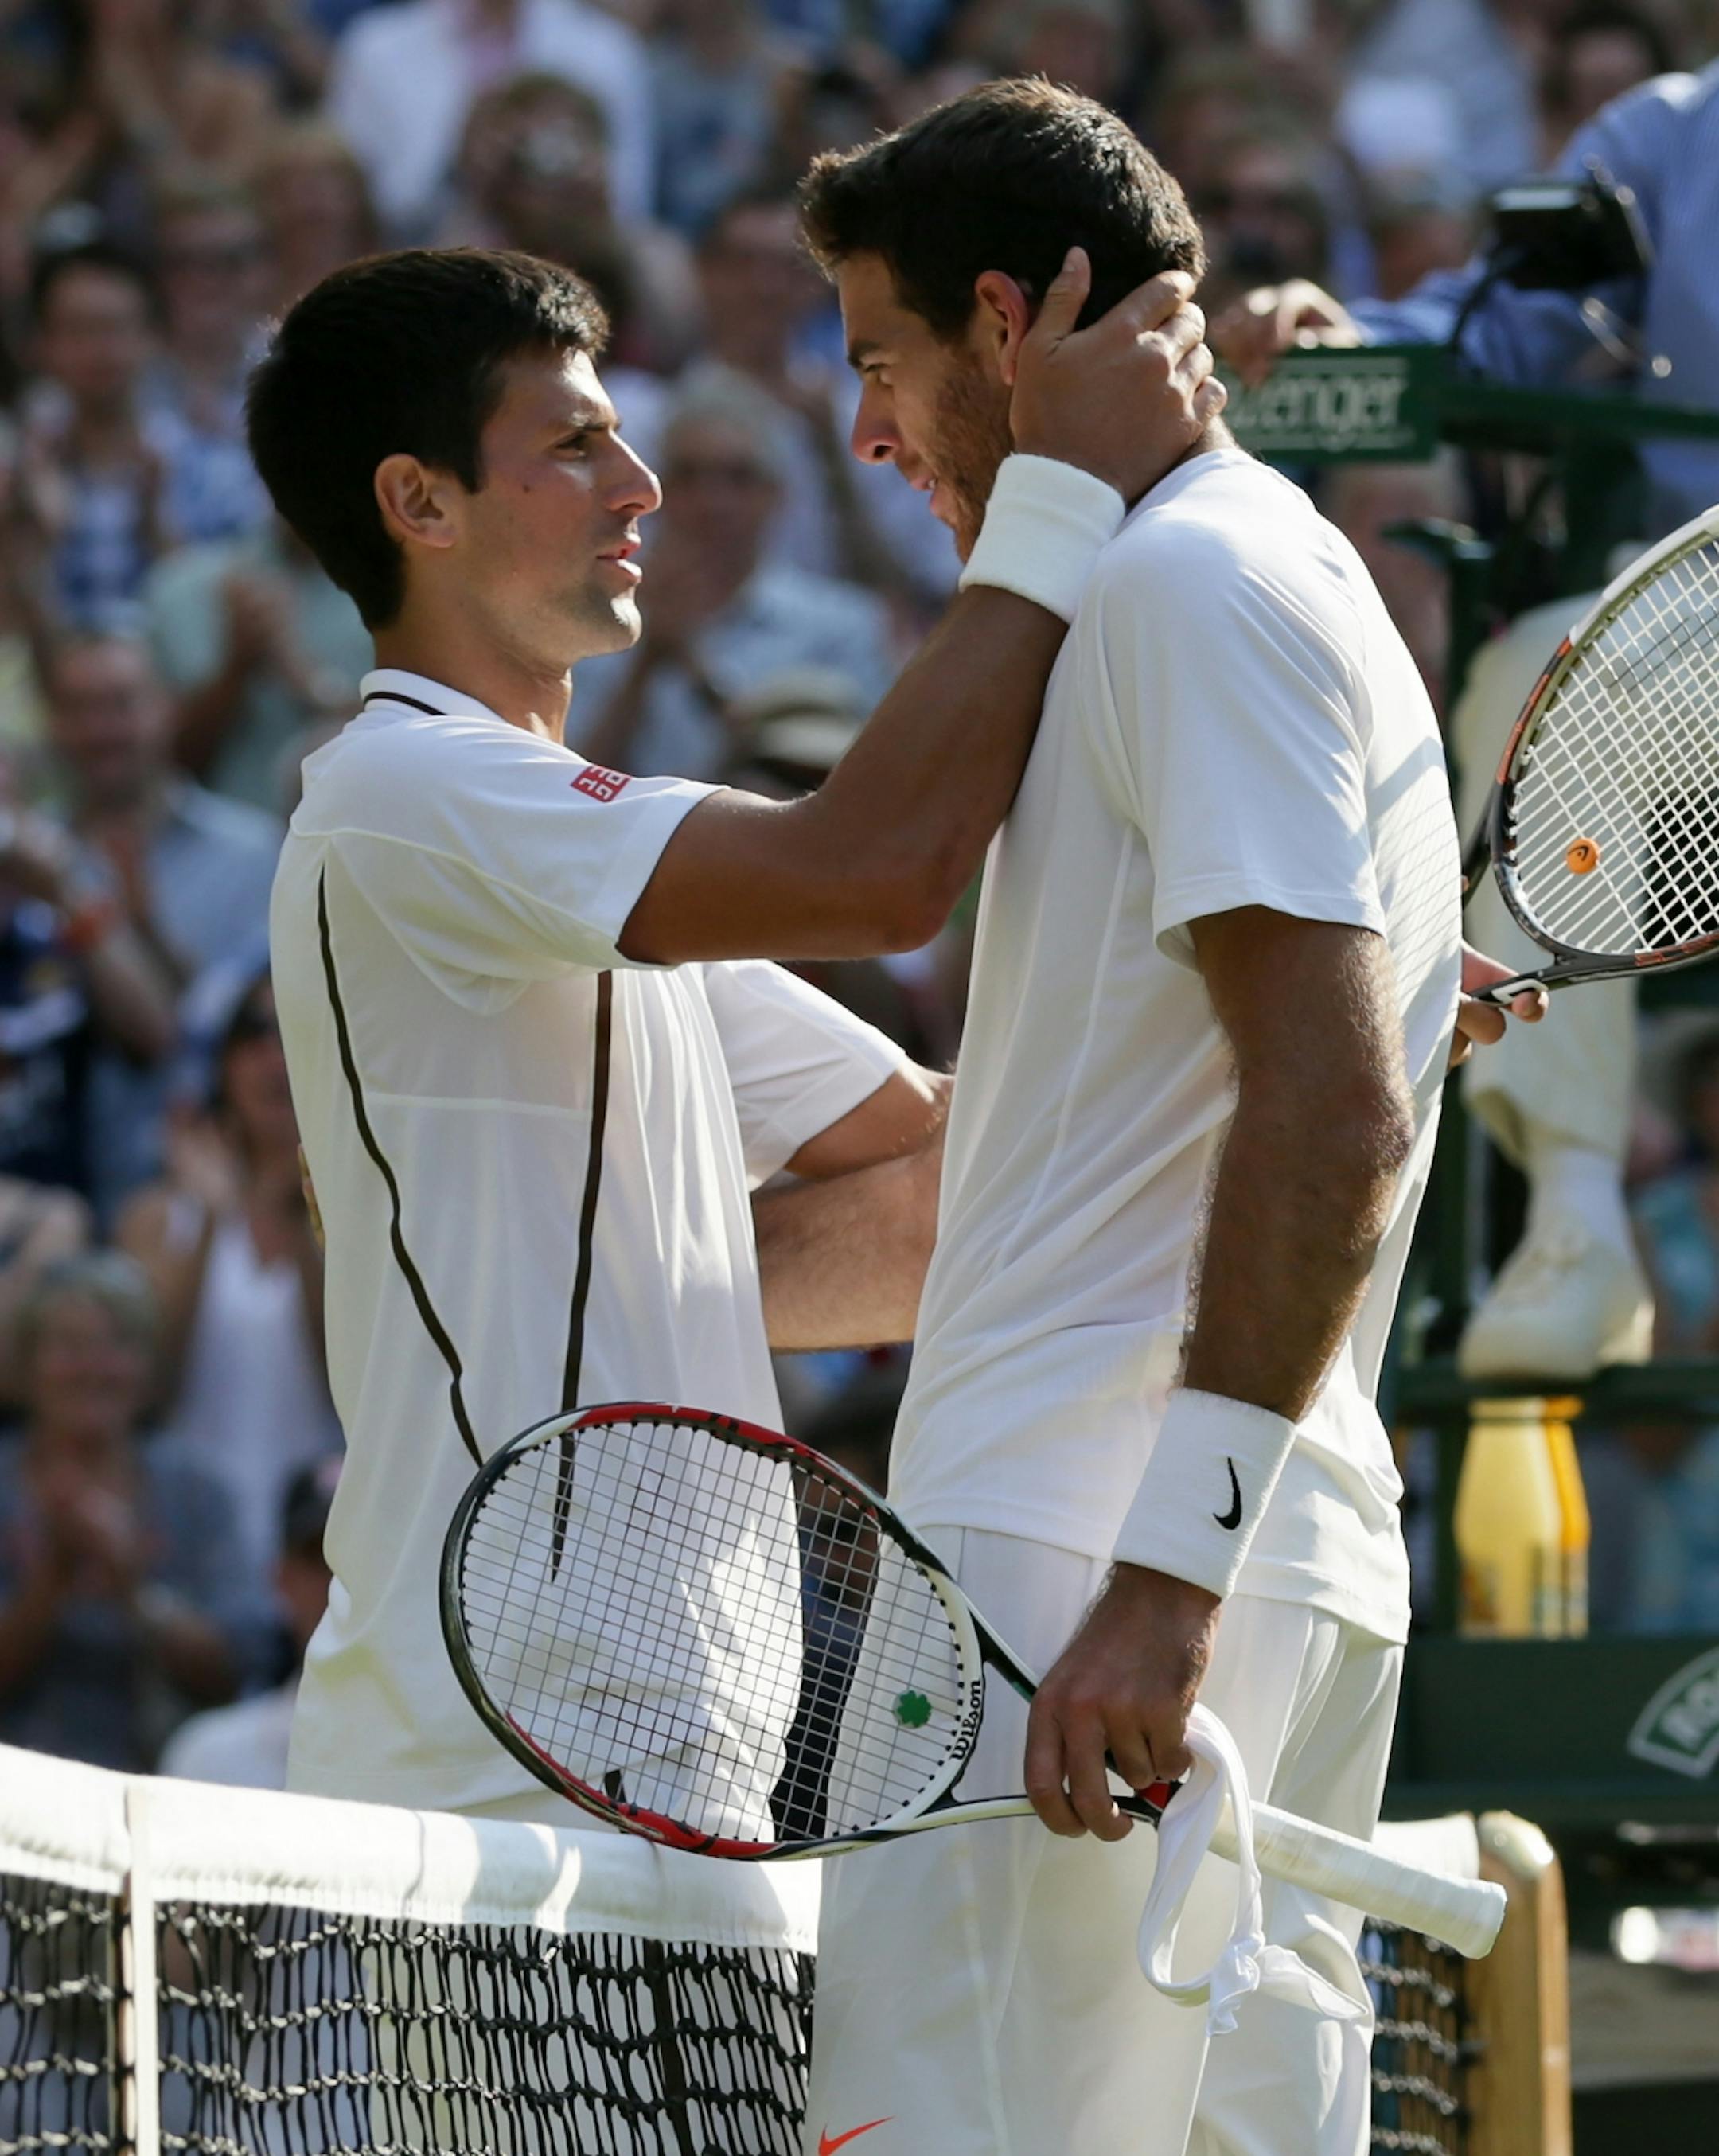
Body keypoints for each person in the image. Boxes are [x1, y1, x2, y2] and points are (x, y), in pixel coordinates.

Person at [771, 80, 1539, 2156]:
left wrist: (1161, 1583)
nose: (869, 431)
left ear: (1008, 323)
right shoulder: (1249, 578)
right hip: (1220, 1554)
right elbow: (1231, 1105)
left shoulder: (1181, 584)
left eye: (880, 362)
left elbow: (1333, 1103)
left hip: (1100, 1562)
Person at [244, 243, 1222, 1824]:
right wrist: (1059, 494)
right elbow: (879, 871)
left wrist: (1294, 1008)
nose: (639, 484)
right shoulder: (407, 795)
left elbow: (952, 1181)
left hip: (673, 1727)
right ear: (418, 505)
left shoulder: (578, 895)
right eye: (574, 445)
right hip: (511, 1745)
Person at [1214, 57, 1719, 1382]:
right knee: (1536, 674)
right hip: (1690, 623)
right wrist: (1350, 332)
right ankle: (1577, 1214)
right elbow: (1495, 326)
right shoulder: (1669, 138)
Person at [39, 630, 283, 1214]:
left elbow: (238, 1031)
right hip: (54, 1211)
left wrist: (136, 930)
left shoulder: (251, 856)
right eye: (78, 708)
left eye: (121, 703)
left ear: (167, 706)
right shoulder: (27, 861)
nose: (101, 730)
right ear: (51, 723)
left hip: (223, 1212)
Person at [0, 1251, 266, 1771]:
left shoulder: (198, 1490)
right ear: (29, 1364)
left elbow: (236, 1670)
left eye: (118, 1343)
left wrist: (135, 1591)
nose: (94, 1366)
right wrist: (52, 1578)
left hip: (162, 1785)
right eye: (71, 1345)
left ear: (148, 1370)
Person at [118, 969, 341, 1583]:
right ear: (223, 1064)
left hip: (322, 1537)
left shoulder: (362, 1212)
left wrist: (300, 1211)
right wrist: (215, 1218)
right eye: (255, 1032)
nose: (276, 1054)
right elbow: (146, 1386)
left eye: (296, 1029)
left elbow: (350, 1380)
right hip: (193, 1543)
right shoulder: (160, 1214)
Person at [571, 376, 894, 779]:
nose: (713, 502)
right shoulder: (594, 624)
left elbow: (871, 778)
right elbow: (572, 786)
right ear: (658, 493)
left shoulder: (843, 626)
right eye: (690, 476)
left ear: (775, 494)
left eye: (738, 477)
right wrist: (646, 663)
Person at [158, 1456, 337, 1789]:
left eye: (361, 1557)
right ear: (281, 1579)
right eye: (321, 1557)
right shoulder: (207, 1759)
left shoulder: (446, 1759)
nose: (340, 1580)